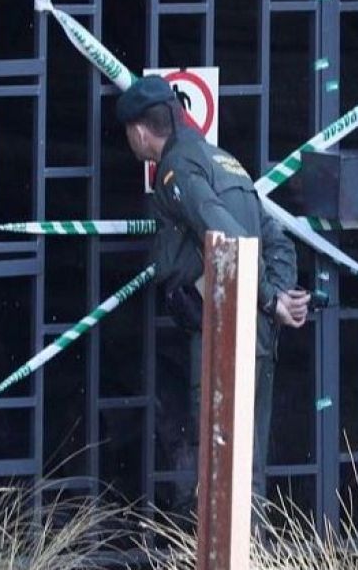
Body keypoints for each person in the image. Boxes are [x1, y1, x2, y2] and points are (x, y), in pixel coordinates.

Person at [117, 75, 312, 503]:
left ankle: (223, 567)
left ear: (139, 131)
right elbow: (277, 238)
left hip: (222, 331)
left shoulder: (176, 168)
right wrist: (275, 298)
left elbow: (226, 234)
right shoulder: (224, 160)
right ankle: (254, 565)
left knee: (220, 459)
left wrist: (267, 298)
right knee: (249, 462)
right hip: (255, 331)